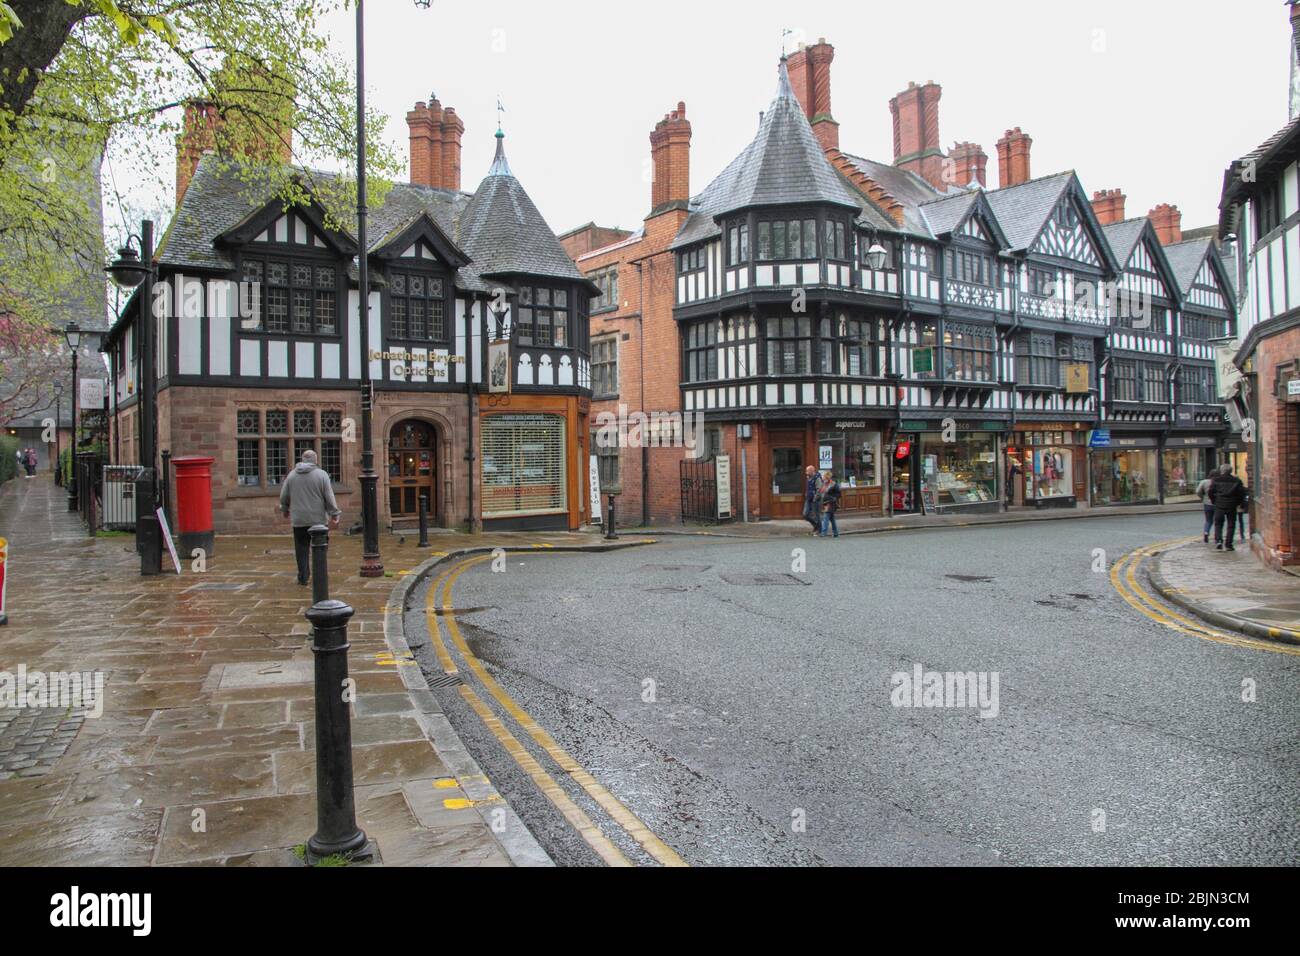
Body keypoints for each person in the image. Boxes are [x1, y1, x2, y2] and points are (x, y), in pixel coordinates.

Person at [279, 449, 342, 585]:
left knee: (301, 549)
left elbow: (284, 495)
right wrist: (334, 513)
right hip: (318, 520)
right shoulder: (322, 475)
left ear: (302, 459)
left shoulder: (291, 475)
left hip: (299, 519)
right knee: (320, 548)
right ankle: (320, 575)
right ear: (315, 460)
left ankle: (303, 576)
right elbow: (329, 497)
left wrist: (285, 509)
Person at [1207, 463, 1247, 552]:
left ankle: (1219, 541)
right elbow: (1241, 493)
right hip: (1231, 505)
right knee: (1231, 525)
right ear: (1231, 471)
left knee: (1218, 524)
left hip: (1219, 504)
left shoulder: (1215, 480)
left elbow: (1210, 492)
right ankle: (1229, 544)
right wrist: (1238, 503)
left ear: (1221, 470)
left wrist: (1214, 501)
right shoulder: (1236, 480)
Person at [817, 470, 841, 538]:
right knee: (832, 518)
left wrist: (833, 498)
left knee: (826, 517)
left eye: (824, 477)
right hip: (825, 503)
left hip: (831, 503)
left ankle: (824, 533)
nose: (823, 478)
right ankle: (835, 533)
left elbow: (839, 494)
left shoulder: (833, 484)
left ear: (827, 477)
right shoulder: (824, 484)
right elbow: (821, 492)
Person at [1195, 472, 1215, 543]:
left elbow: (1198, 491)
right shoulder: (1217, 482)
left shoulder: (1204, 482)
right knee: (1217, 521)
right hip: (1217, 504)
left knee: (1208, 520)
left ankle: (1206, 532)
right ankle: (1217, 536)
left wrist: (1202, 498)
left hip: (1207, 503)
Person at [801, 464, 820, 535]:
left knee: (816, 515)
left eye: (807, 471)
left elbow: (819, 489)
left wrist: (815, 498)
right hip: (808, 499)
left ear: (812, 471)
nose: (806, 472)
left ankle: (819, 530)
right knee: (805, 514)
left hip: (815, 499)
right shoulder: (809, 477)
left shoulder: (817, 478)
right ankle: (816, 526)